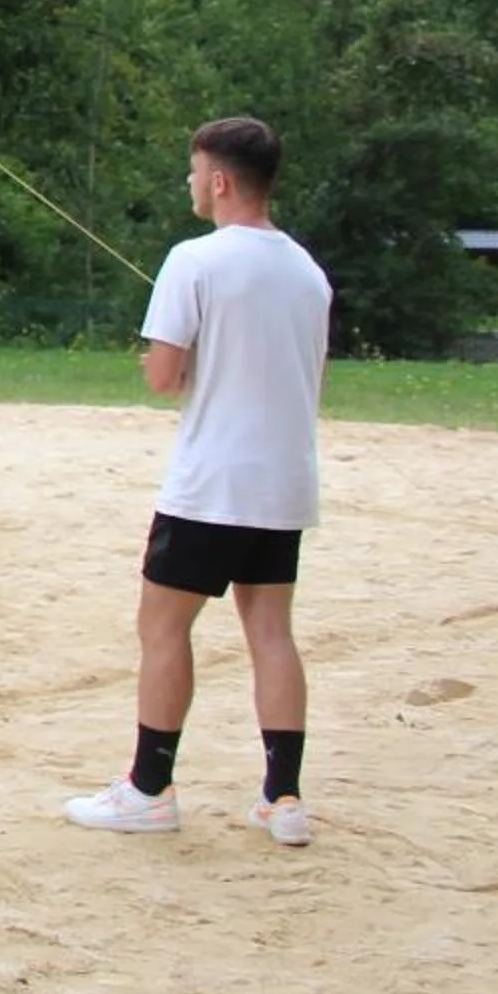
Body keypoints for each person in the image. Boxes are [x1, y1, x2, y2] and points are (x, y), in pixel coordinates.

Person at [64, 116, 330, 846]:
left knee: (162, 628)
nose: (189, 185)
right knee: (272, 633)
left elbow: (161, 377)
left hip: (213, 483)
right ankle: (283, 797)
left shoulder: (195, 259)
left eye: (192, 173)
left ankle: (150, 788)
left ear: (218, 180)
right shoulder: (308, 271)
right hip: (283, 483)